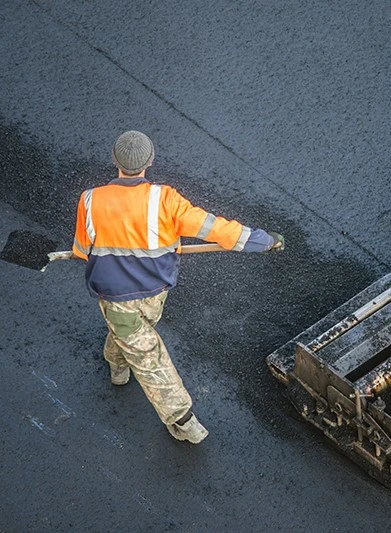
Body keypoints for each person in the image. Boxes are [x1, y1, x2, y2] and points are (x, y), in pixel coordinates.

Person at [71, 130, 284, 444]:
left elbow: (80, 249)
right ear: (150, 162)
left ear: (115, 161)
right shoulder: (165, 199)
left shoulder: (90, 200)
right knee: (149, 356)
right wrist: (264, 241)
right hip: (155, 292)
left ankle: (117, 362)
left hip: (115, 297)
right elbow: (218, 229)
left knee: (132, 334)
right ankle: (182, 420)